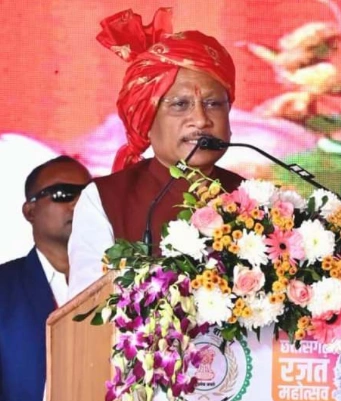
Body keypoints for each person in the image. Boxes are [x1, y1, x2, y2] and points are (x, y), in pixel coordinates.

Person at [68, 8, 244, 298]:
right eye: (180, 105)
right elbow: (86, 311)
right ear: (147, 120)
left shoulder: (254, 198)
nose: (201, 120)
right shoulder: (105, 199)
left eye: (213, 104)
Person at [0, 156, 91, 401]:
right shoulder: (4, 287)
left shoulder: (117, 283)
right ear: (30, 211)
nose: (79, 203)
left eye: (87, 194)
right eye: (63, 194)